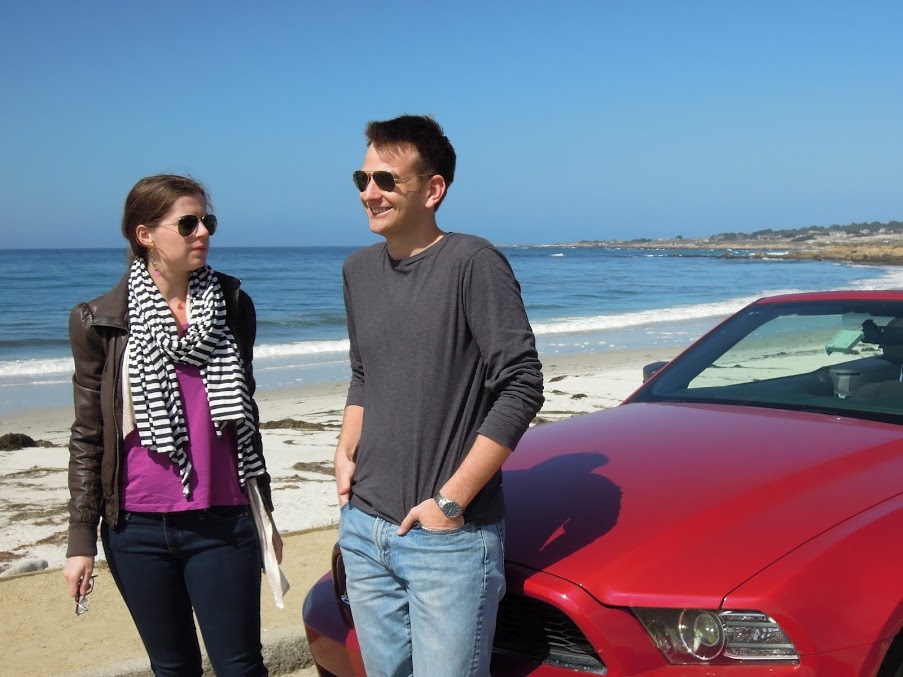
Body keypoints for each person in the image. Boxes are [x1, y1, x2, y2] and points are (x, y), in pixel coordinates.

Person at [336, 115, 544, 676]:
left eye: (386, 180)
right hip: (363, 530)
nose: (370, 193)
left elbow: (522, 383)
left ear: (432, 190)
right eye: (362, 179)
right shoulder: (357, 270)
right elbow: (364, 372)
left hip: (448, 541)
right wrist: (344, 449)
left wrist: (451, 502)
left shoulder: (474, 263)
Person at [63, 174, 281, 677]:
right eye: (188, 223)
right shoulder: (99, 322)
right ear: (145, 235)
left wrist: (264, 512)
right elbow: (89, 435)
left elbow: (244, 417)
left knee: (241, 666)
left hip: (224, 519)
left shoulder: (233, 307)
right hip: (135, 526)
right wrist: (80, 540)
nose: (202, 232)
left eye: (207, 221)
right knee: (172, 668)